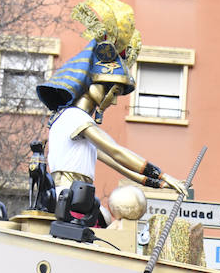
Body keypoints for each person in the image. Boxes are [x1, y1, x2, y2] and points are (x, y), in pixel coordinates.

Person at [37, 40, 187, 197]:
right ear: (95, 86)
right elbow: (116, 151)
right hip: (69, 196)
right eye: (114, 92)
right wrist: (162, 174)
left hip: (77, 195)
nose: (114, 101)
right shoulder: (75, 117)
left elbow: (117, 164)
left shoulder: (71, 120)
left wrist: (159, 184)